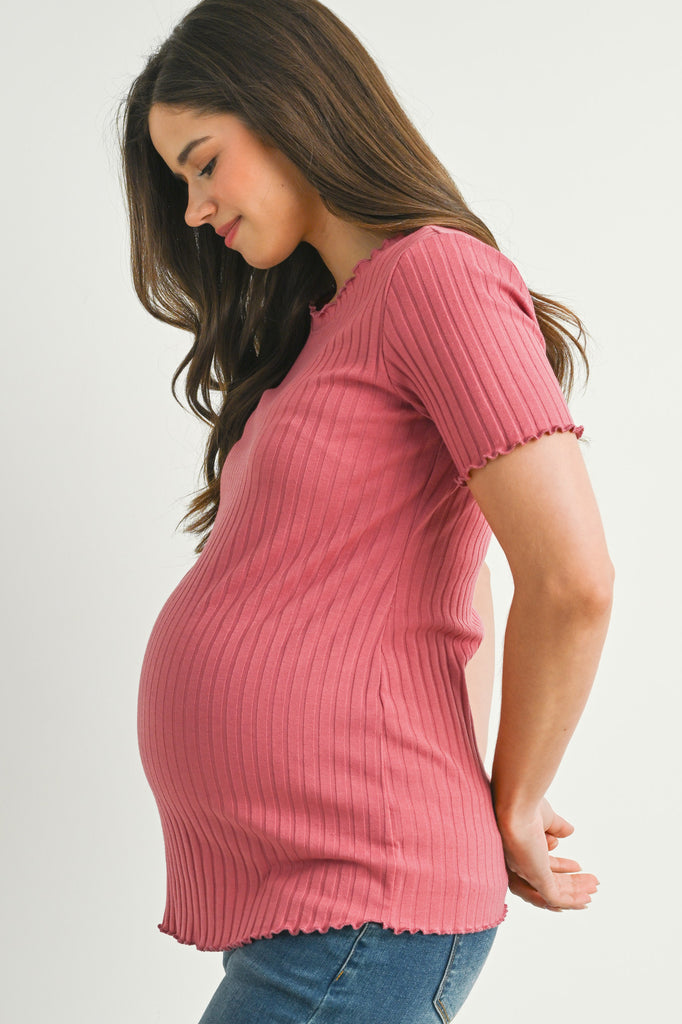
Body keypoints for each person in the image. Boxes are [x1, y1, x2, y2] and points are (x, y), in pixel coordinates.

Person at [116, 1, 615, 1020]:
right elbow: (459, 574)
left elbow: (571, 578)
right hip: (332, 910)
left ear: (292, 109)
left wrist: (512, 802)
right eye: (180, 183)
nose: (196, 208)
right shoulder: (332, 326)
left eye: (204, 162)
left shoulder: (436, 277)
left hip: (363, 911)